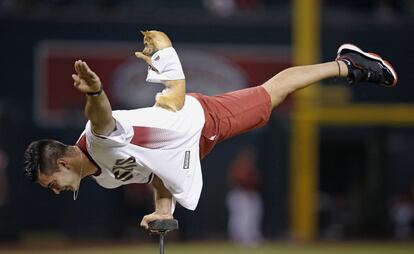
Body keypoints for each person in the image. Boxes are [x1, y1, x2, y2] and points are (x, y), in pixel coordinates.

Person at [23, 31, 398, 230]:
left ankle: (346, 64)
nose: (55, 190)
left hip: (199, 121)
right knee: (271, 95)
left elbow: (100, 115)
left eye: (50, 181)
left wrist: (95, 91)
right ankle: (346, 64)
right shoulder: (102, 178)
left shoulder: (97, 138)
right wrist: (161, 210)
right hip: (188, 148)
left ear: (61, 160)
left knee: (272, 94)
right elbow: (159, 169)